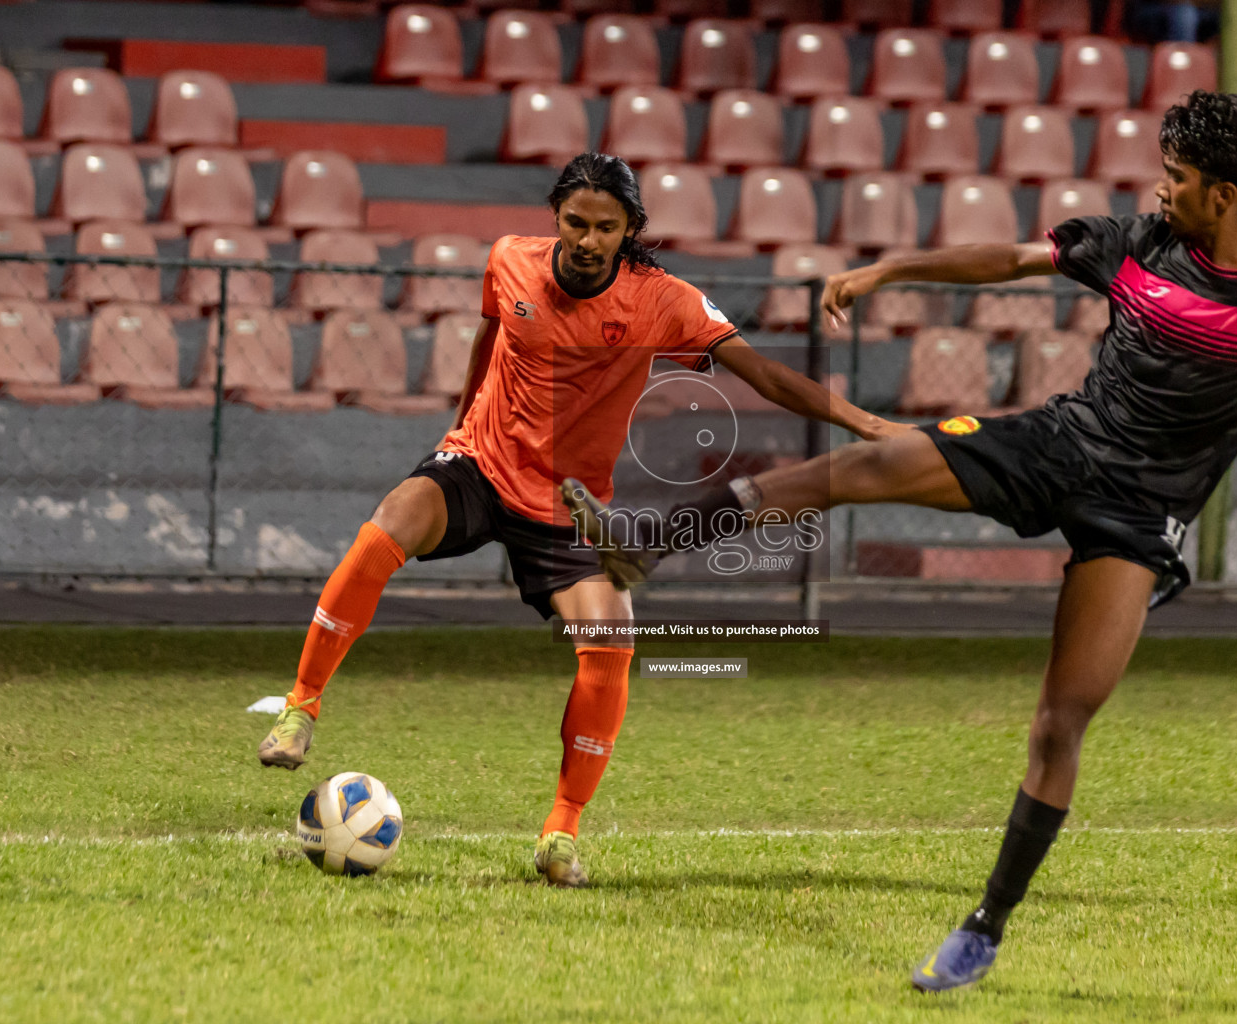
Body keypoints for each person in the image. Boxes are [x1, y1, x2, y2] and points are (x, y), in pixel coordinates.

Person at [561, 91, 1237, 984]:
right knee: (873, 467)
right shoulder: (1138, 244)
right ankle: (650, 539)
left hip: (1138, 517)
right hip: (1055, 446)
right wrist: (891, 271)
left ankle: (985, 927)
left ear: (1223, 195)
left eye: (1177, 177)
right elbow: (1015, 259)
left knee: (1061, 722)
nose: (1161, 188)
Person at [256, 153, 905, 887]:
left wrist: (868, 424)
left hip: (567, 506)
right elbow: (489, 336)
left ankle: (561, 832)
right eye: (575, 223)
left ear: (630, 229)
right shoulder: (509, 261)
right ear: (555, 218)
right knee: (388, 525)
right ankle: (301, 708)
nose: (588, 239)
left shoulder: (664, 301)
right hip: (482, 464)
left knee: (611, 642)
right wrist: (458, 427)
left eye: (606, 227)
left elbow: (766, 375)